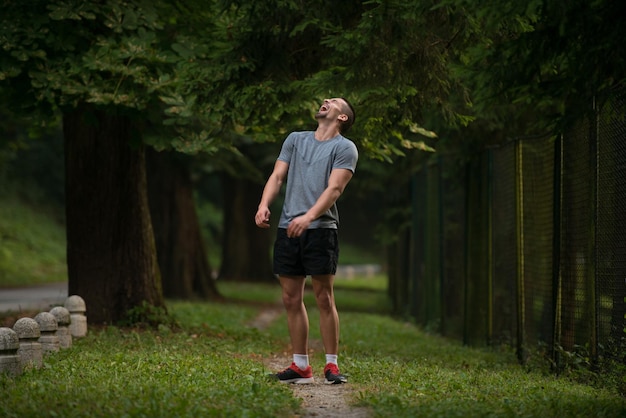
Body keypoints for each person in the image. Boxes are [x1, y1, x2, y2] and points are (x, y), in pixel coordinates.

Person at [255, 97, 358, 385]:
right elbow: (277, 176)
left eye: (334, 101)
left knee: (324, 297)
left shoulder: (344, 148)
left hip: (321, 229)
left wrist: (309, 217)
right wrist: (264, 204)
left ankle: (331, 366)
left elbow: (335, 189)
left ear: (343, 118)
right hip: (288, 227)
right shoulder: (295, 140)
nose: (326, 100)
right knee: (290, 298)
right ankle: (300, 366)